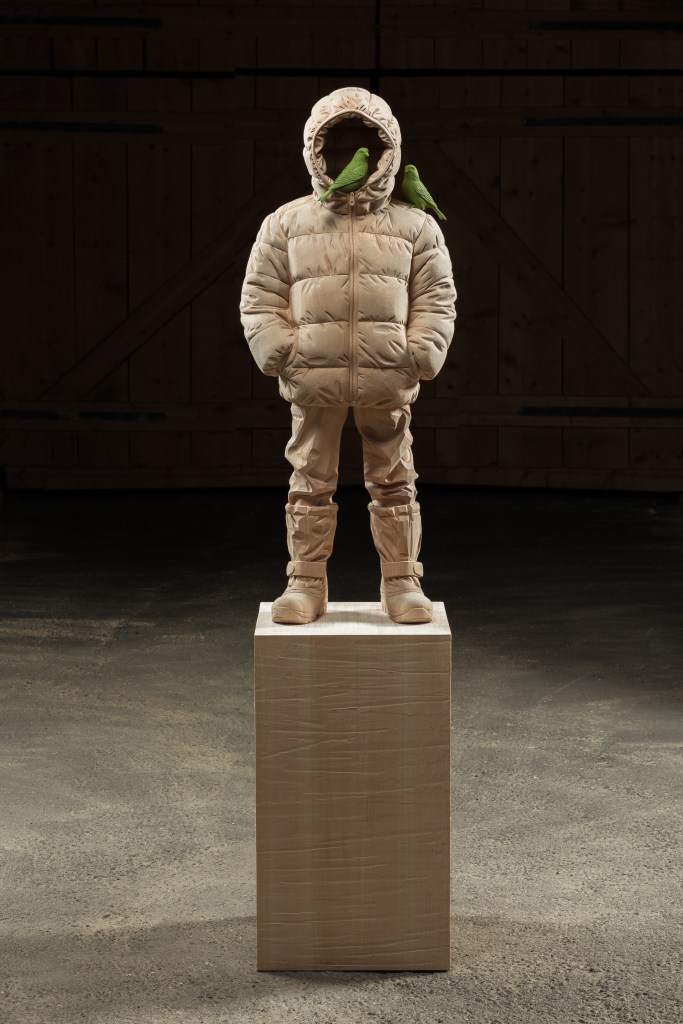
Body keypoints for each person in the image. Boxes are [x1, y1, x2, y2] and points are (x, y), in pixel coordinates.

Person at [240, 86, 456, 625]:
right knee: (309, 480)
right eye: (332, 145)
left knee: (396, 481)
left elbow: (437, 295)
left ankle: (402, 581)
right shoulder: (287, 223)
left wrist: (420, 353)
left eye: (367, 144)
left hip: (389, 377)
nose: (345, 157)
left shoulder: (415, 226)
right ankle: (305, 581)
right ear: (315, 150)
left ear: (389, 151)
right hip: (313, 376)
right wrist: (281, 351)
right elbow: (260, 294)